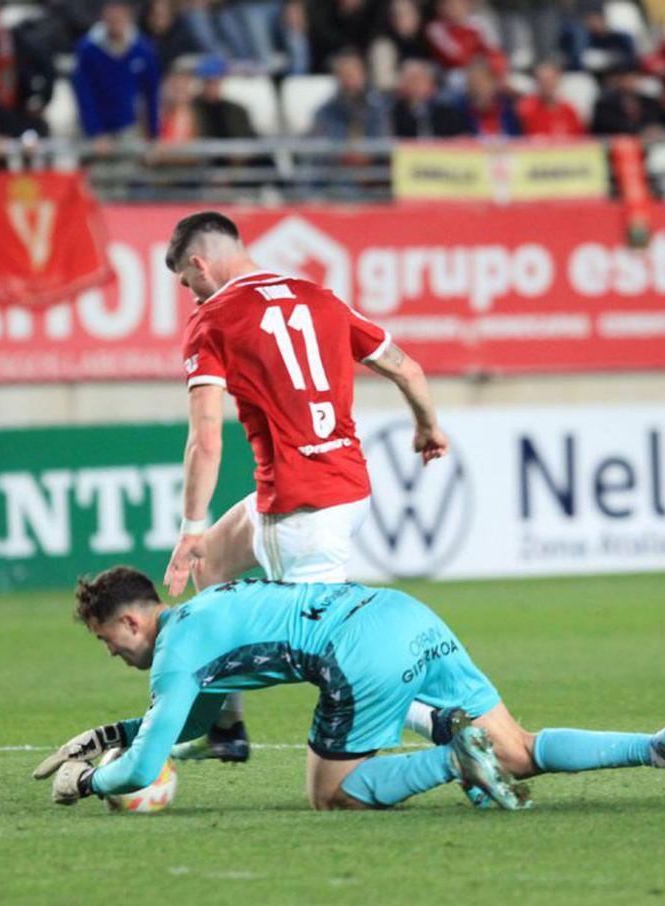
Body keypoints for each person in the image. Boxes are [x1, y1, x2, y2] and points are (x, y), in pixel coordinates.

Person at [33, 567, 665, 810]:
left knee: (331, 794)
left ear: (131, 619)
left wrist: (89, 780)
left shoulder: (174, 651)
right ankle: (658, 748)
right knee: (521, 749)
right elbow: (204, 719)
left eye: (108, 641)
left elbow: (143, 764)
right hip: (407, 613)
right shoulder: (205, 615)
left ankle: (450, 760)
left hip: (359, 653)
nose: (112, 653)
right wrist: (116, 734)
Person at [160, 211, 449, 758]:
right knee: (213, 566)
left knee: (322, 650)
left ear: (199, 263)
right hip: (348, 488)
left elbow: (206, 439)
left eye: (185, 281)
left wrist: (190, 525)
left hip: (299, 507)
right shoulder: (321, 298)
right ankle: (226, 728)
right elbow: (407, 367)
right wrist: (428, 427)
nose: (189, 294)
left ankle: (449, 726)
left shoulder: (214, 319)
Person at [72, 0, 160, 148]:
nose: (116, 19)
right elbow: (84, 93)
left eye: (120, 15)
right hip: (96, 131)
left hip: (129, 128)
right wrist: (95, 132)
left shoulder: (143, 48)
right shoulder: (87, 49)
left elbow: (151, 93)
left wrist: (154, 134)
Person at [390, 58, 469, 138]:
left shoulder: (447, 112)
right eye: (410, 80)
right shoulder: (393, 113)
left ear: (431, 84)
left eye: (419, 79)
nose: (415, 85)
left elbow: (460, 139)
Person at [517, 57, 586, 137]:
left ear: (558, 80)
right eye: (542, 80)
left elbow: (581, 140)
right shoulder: (526, 110)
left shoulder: (569, 111)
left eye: (550, 79)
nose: (547, 84)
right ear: (536, 82)